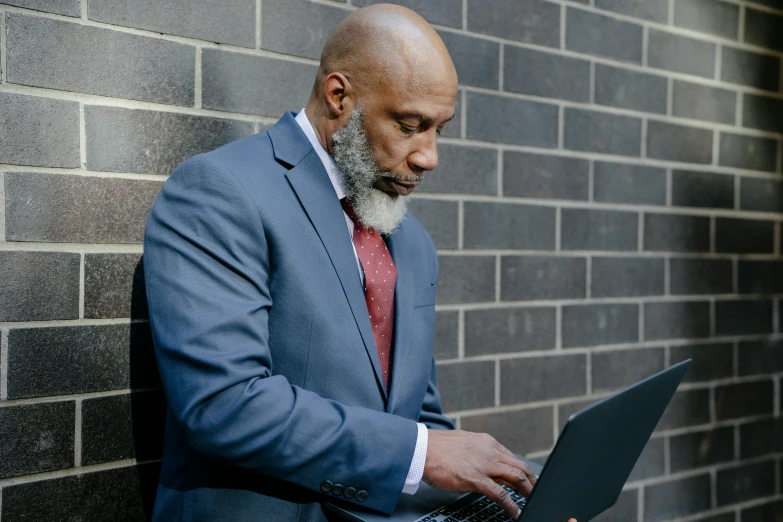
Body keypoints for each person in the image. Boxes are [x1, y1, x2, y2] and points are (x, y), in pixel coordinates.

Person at [143, 4, 577, 522]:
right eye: (410, 125)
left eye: (439, 129)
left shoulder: (411, 240)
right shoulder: (221, 193)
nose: (428, 156)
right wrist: (420, 453)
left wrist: (502, 494)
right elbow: (223, 405)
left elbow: (417, 417)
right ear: (339, 96)